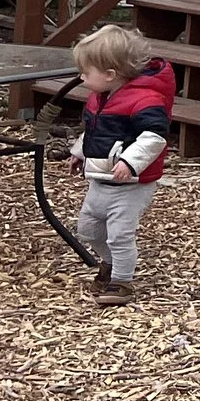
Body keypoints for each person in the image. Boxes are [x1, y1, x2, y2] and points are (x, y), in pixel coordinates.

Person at [67, 25, 175, 306]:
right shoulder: (100, 97)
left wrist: (130, 161)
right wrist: (80, 152)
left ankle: (122, 281)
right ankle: (110, 263)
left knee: (119, 234)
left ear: (109, 75)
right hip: (101, 175)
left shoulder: (146, 100)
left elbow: (154, 137)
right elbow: (94, 131)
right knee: (88, 229)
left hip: (130, 183)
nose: (81, 77)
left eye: (85, 72)